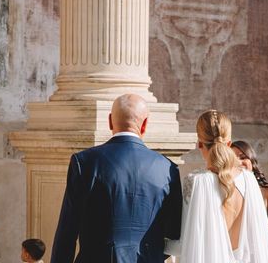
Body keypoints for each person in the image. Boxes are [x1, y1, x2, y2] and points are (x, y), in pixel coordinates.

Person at [50, 93, 182, 263]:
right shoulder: (167, 169)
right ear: (144, 125)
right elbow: (173, 232)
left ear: (110, 121)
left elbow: (67, 233)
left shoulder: (85, 162)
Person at [166, 110, 268, 262]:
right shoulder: (249, 180)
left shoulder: (196, 182)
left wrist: (158, 242)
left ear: (199, 143)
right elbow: (257, 238)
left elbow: (185, 246)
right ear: (229, 143)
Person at [231, 140, 268, 238]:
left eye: (243, 157)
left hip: (259, 251)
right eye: (232, 160)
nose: (238, 162)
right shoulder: (226, 193)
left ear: (252, 161)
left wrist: (245, 229)